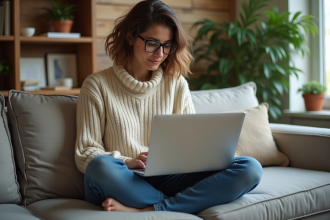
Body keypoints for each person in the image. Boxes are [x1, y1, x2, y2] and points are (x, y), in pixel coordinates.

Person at [75, 0, 262, 213]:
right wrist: (127, 161)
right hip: (125, 178)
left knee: (249, 168)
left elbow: (191, 145)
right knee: (100, 166)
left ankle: (152, 209)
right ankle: (183, 203)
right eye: (152, 43)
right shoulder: (97, 85)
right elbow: (85, 152)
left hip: (169, 178)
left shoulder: (176, 83)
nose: (160, 54)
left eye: (167, 45)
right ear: (130, 37)